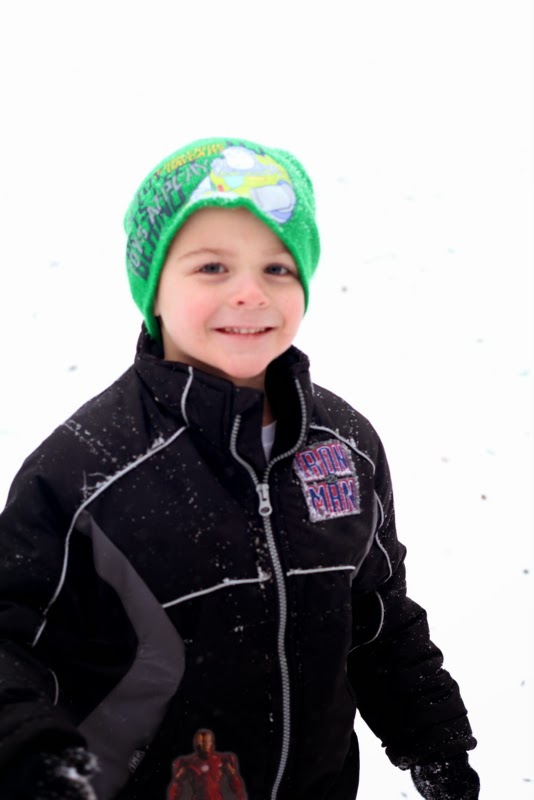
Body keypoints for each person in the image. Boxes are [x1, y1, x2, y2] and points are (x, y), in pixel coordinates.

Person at [0, 137, 480, 800]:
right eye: (212, 267)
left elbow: (375, 613)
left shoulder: (344, 446)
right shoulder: (86, 471)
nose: (250, 293)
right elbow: (11, 642)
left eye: (277, 268)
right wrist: (35, 763)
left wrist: (435, 737)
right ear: (153, 289)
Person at [167, 728, 247, 800]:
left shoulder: (222, 760)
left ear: (212, 743)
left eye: (207, 742)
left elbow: (236, 786)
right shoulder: (188, 763)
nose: (204, 746)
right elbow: (176, 786)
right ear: (196, 744)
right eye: (201, 743)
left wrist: (241, 797)